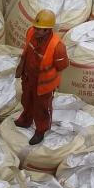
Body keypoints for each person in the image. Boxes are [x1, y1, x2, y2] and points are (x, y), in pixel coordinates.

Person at [15, 9, 68, 145]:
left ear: (48, 30)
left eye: (40, 29)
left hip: (43, 85)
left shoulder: (57, 46)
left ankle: (41, 130)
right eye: (36, 27)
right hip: (28, 78)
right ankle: (26, 120)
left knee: (42, 108)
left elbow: (62, 66)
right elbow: (26, 51)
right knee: (26, 100)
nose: (36, 30)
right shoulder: (30, 32)